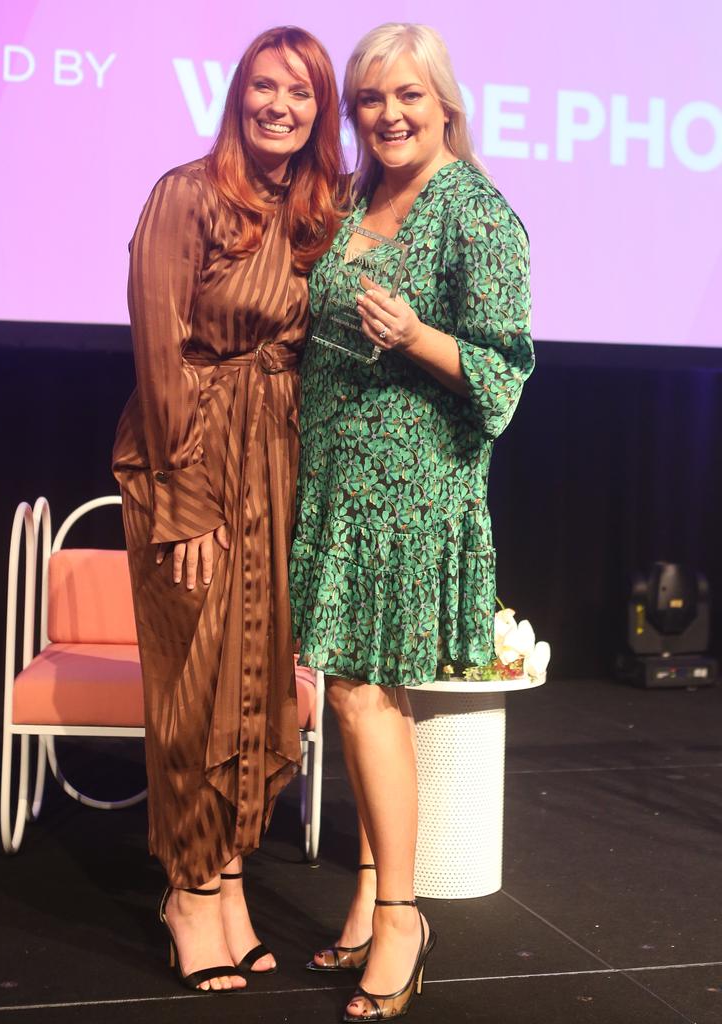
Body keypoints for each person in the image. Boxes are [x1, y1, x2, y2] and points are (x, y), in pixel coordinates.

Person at [289, 22, 534, 1021]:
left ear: (445, 104)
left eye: (407, 97)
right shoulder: (356, 197)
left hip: (411, 490)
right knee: (353, 690)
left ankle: (403, 918)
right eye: (370, 100)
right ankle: (363, 896)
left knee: (357, 696)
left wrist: (421, 335)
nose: (388, 115)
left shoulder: (477, 213)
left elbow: (507, 372)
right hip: (337, 474)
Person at [112, 26, 345, 994]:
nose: (279, 104)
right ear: (236, 93)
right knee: (193, 684)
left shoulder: (312, 212)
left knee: (255, 681)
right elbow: (161, 348)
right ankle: (186, 889)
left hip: (275, 462)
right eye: (264, 85)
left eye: (299, 91)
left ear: (319, 108)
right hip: (188, 462)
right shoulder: (186, 194)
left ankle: (230, 883)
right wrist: (190, 501)